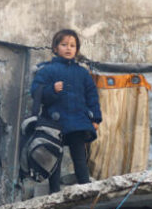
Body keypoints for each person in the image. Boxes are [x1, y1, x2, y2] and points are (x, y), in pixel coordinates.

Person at [31, 29, 102, 193]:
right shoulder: (47, 70)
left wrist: (95, 119)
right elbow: (36, 92)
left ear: (76, 49)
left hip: (77, 120)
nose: (69, 48)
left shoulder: (82, 73)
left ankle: (85, 188)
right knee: (55, 156)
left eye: (72, 45)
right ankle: (54, 190)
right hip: (54, 122)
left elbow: (92, 96)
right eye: (64, 45)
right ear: (55, 48)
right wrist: (51, 90)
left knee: (79, 156)